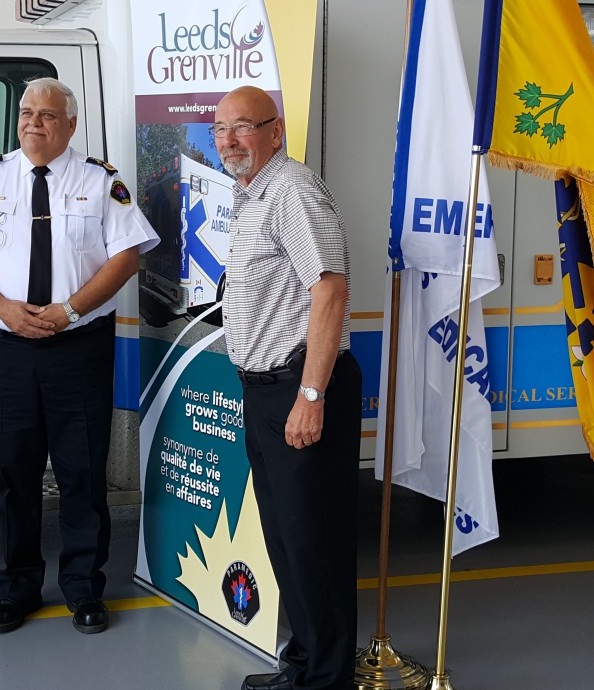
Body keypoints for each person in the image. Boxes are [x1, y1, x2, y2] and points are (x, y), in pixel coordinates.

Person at [0, 77, 158, 635]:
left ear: (71, 125)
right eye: (27, 113)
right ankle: (17, 588)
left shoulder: (100, 182)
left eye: (48, 115)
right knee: (16, 472)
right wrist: (4, 309)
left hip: (77, 348)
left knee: (82, 472)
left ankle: (84, 589)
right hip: (8, 348)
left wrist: (70, 311)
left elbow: (126, 257)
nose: (34, 123)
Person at [214, 86, 362, 690]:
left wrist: (310, 396)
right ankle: (304, 663)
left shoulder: (291, 191)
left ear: (276, 131)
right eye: (221, 128)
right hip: (266, 390)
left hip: (301, 389)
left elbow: (329, 288)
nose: (229, 140)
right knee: (289, 540)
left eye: (243, 127)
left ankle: (328, 680)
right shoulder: (252, 194)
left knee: (314, 543)